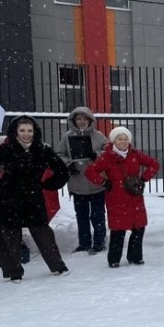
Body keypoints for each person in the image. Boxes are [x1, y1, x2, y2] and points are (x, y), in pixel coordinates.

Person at [0, 115, 71, 283]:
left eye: (29, 130)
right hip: (9, 198)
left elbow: (62, 172)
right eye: (22, 130)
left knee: (43, 233)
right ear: (15, 131)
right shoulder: (5, 149)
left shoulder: (43, 149)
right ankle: (14, 271)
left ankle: (58, 265)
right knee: (9, 235)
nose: (26, 134)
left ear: (35, 131)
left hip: (33, 197)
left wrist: (47, 184)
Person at [85, 127, 159, 268]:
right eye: (120, 139)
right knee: (118, 230)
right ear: (114, 141)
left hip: (135, 197)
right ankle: (114, 259)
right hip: (116, 198)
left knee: (139, 227)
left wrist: (143, 179)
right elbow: (90, 171)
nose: (123, 142)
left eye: (125, 139)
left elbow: (154, 164)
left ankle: (135, 257)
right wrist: (104, 182)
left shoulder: (135, 154)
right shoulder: (107, 157)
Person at [55, 107, 108, 254]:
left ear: (90, 120)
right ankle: (84, 243)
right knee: (81, 216)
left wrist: (96, 154)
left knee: (97, 215)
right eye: (78, 119)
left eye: (85, 119)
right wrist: (69, 164)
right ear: (74, 121)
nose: (82, 121)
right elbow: (59, 154)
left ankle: (99, 242)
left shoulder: (98, 136)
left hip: (97, 184)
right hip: (77, 183)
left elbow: (108, 151)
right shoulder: (67, 137)